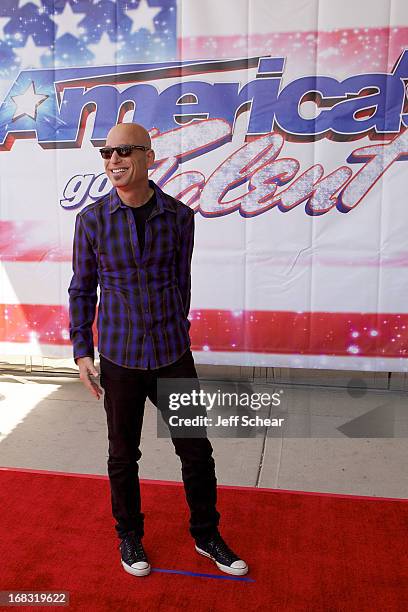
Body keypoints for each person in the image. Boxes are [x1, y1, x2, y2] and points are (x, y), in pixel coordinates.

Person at [68, 123, 248, 577]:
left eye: (124, 151)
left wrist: (176, 329)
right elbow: (82, 288)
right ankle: (129, 537)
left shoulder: (179, 216)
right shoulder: (91, 220)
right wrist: (82, 351)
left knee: (195, 450)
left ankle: (207, 535)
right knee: (122, 455)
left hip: (172, 354)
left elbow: (180, 284)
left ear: (149, 156)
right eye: (107, 152)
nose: (113, 160)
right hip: (120, 357)